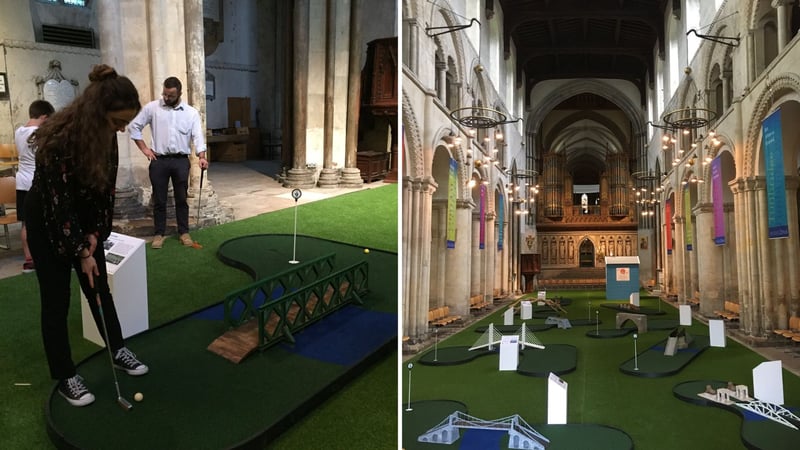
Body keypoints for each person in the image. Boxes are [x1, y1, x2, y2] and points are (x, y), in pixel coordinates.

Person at [25, 64, 149, 407]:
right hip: (47, 221)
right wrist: (81, 251)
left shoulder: (106, 137)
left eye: (125, 123)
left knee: (98, 288)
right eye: (117, 122)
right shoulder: (59, 140)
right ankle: (66, 375)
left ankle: (117, 348)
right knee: (56, 298)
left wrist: (95, 234)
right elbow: (58, 203)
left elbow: (103, 192)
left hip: (81, 220)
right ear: (98, 112)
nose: (122, 130)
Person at [128, 76, 209, 249]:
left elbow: (198, 136)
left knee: (181, 198)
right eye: (164, 94)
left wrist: (201, 156)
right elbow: (134, 126)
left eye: (170, 95)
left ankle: (184, 232)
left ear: (179, 93)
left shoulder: (190, 113)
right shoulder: (152, 108)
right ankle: (159, 234)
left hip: (181, 161)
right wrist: (144, 149)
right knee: (159, 200)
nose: (166, 98)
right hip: (159, 161)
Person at [14, 100, 55, 273]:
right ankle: (48, 255)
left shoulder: (18, 131)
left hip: (21, 182)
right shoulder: (40, 133)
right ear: (44, 117)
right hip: (37, 182)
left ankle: (29, 259)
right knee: (47, 221)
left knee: (26, 223)